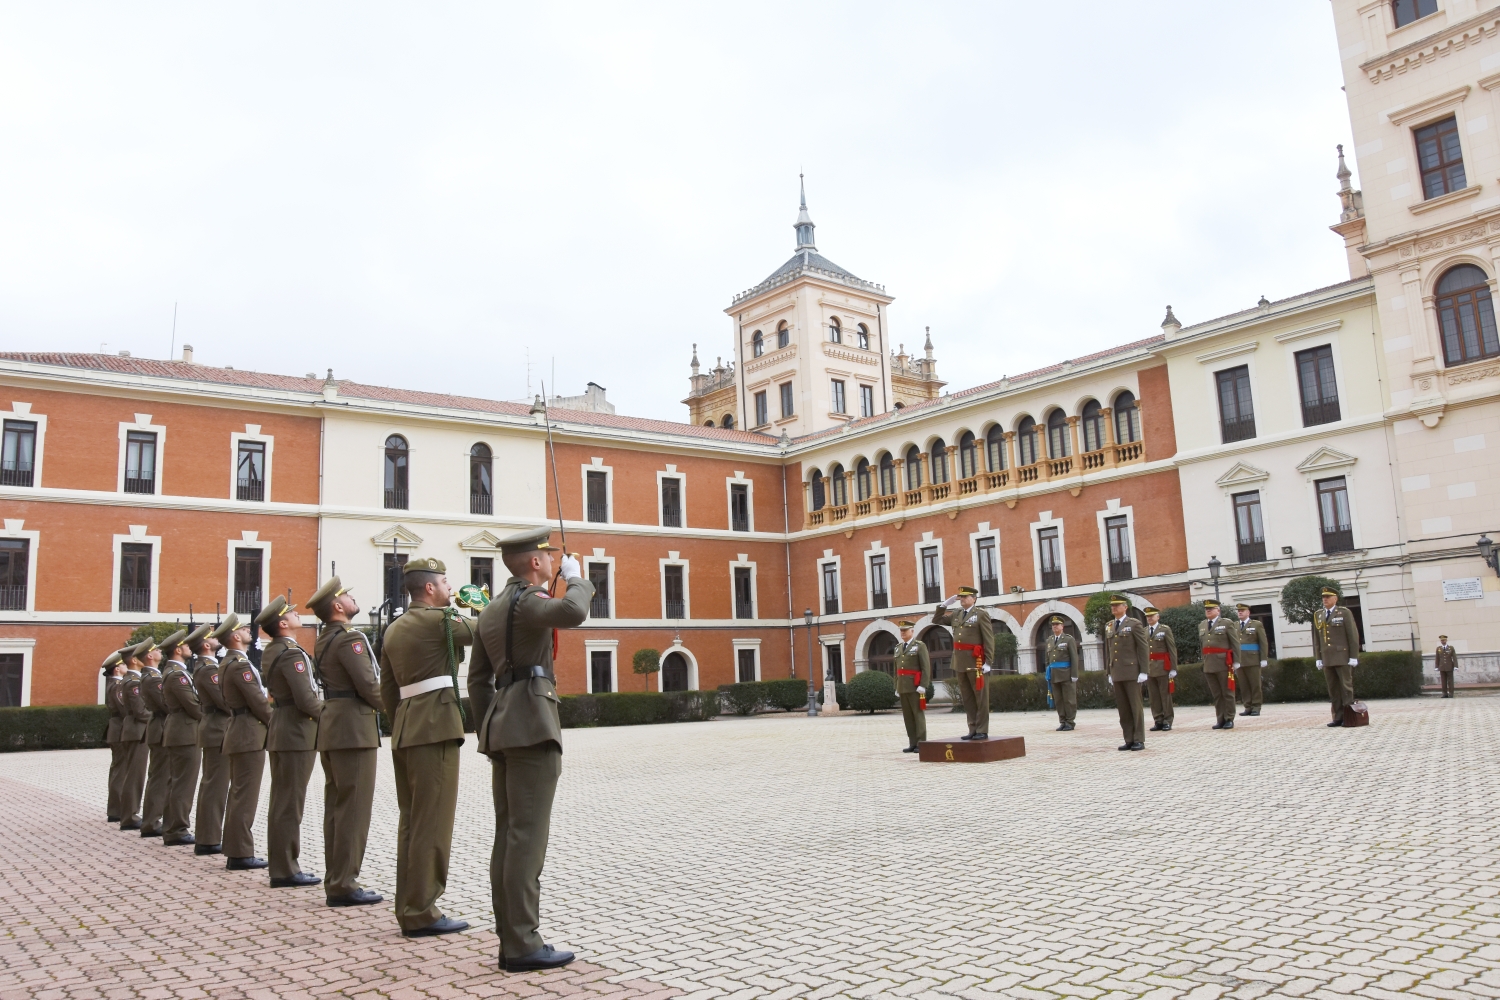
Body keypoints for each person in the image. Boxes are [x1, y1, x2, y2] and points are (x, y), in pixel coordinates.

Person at [469, 528, 593, 972]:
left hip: (503, 726)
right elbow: (573, 611)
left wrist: (492, 724)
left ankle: (512, 938)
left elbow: (476, 681)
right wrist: (580, 578)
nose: (555, 561)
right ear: (536, 563)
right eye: (551, 557)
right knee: (526, 839)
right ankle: (522, 944)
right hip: (531, 726)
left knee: (508, 836)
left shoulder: (490, 609)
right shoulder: (526, 601)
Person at [379, 556, 475, 938]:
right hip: (434, 727)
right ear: (431, 588)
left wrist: (403, 720)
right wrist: (476, 603)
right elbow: (485, 629)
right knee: (432, 823)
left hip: (406, 725)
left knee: (412, 822)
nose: (451, 588)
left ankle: (409, 905)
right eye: (446, 583)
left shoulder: (394, 628)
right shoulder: (439, 621)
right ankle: (421, 912)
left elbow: (388, 689)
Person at [308, 576, 384, 907]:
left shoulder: (326, 638)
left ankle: (335, 877)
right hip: (353, 727)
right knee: (352, 809)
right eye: (347, 596)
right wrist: (401, 706)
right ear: (338, 607)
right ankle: (343, 883)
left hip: (335, 724)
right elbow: (369, 685)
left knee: (338, 808)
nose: (353, 598)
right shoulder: (348, 639)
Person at [258, 595, 323, 888]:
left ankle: (282, 864)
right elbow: (307, 700)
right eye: (292, 613)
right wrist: (332, 716)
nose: (298, 615)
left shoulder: (274, 650)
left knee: (283, 802)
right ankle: (285, 869)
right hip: (296, 732)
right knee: (289, 804)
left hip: (284, 729)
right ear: (283, 624)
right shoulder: (291, 653)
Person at [217, 613, 270, 870]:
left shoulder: (230, 662)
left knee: (239, 793)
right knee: (245, 796)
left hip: (241, 731)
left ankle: (236, 849)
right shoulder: (239, 664)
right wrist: (275, 721)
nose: (250, 631)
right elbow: (257, 701)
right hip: (248, 733)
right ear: (236, 637)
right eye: (244, 629)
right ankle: (240, 853)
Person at [932, 586, 994, 740]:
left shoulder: (981, 614)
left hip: (976, 662)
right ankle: (972, 729)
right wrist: (943, 605)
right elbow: (937, 620)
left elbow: (989, 639)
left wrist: (988, 662)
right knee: (967, 698)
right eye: (960, 597)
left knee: (980, 698)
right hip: (960, 662)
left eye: (966, 597)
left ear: (974, 599)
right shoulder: (957, 614)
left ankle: (982, 729)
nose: (962, 599)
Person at [158, 629, 202, 847]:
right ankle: (177, 828)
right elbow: (192, 706)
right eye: (185, 645)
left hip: (181, 731)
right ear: (178, 649)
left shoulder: (174, 671)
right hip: (185, 732)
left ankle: (172, 826)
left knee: (177, 782)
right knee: (183, 783)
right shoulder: (176, 674)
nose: (189, 649)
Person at [191, 624, 230, 855]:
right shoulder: (208, 669)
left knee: (214, 784)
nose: (216, 638)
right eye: (211, 637)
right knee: (215, 785)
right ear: (206, 645)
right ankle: (208, 838)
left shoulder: (208, 667)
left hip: (216, 729)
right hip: (217, 729)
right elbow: (225, 700)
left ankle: (209, 836)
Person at [1103, 597, 1149, 751]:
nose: (1114, 608)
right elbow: (1109, 651)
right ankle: (1128, 738)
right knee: (1123, 709)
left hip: (1131, 671)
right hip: (1117, 672)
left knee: (1135, 707)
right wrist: (1109, 671)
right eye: (1112, 606)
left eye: (1117, 606)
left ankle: (1139, 739)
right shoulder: (1109, 626)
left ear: (1125, 607)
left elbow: (1143, 648)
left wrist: (1143, 671)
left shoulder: (1134, 624)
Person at [117, 642, 152, 830]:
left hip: (135, 730)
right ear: (134, 660)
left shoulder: (132, 681)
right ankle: (129, 816)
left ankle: (129, 813)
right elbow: (140, 712)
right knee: (134, 776)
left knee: (134, 774)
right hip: (137, 731)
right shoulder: (133, 683)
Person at [1314, 587, 1360, 727]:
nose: (1325, 599)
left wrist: (1353, 656)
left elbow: (1352, 636)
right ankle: (1337, 717)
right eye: (1323, 597)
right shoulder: (1319, 614)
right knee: (1333, 689)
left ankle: (1348, 716)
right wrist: (1318, 657)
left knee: (1346, 688)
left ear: (1335, 598)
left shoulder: (1344, 613)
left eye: (1328, 597)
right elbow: (1317, 639)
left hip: (1342, 656)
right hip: (1327, 657)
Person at [138, 639, 168, 838]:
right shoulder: (154, 679)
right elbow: (167, 704)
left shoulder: (151, 676)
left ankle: (152, 820)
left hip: (159, 727)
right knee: (160, 777)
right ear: (150, 656)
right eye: (156, 650)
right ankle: (151, 822)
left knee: (159, 776)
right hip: (162, 727)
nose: (159, 651)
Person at [1198, 600, 1240, 730]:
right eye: (1206, 609)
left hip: (1224, 663)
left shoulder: (1226, 623)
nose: (1208, 611)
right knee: (1217, 694)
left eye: (1211, 608)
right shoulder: (1202, 625)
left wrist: (1236, 661)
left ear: (1218, 610)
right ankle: (1220, 719)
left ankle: (1229, 718)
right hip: (1209, 663)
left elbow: (1235, 643)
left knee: (1227, 692)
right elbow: (1202, 645)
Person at [891, 621, 931, 752]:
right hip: (903, 686)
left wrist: (923, 685)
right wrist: (896, 686)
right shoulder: (898, 647)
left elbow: (925, 667)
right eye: (901, 630)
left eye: (905, 630)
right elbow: (896, 669)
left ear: (912, 631)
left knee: (917, 715)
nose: (903, 633)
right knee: (907, 717)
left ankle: (921, 743)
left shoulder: (919, 646)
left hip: (915, 686)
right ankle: (912, 742)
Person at [1042, 616, 1080, 732]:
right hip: (1054, 674)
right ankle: (1062, 721)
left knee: (1069, 699)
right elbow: (1047, 659)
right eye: (1053, 625)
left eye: (1057, 624)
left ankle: (1070, 722)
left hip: (1066, 673)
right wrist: (1048, 672)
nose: (1055, 626)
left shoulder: (1068, 639)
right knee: (1058, 700)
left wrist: (1074, 674)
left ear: (1062, 626)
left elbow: (1074, 658)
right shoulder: (1049, 640)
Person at [1143, 607, 1177, 732]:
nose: (1149, 618)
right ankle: (1158, 719)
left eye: (1152, 615)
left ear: (1158, 617)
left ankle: (1168, 720)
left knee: (1165, 695)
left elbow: (1171, 649)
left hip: (1163, 666)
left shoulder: (1164, 630)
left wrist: (1173, 668)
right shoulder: (1144, 631)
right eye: (1147, 616)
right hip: (1150, 667)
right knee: (1154, 696)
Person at [103, 651, 125, 822]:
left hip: (116, 729)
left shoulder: (112, 684)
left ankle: (115, 808)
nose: (127, 667)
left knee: (118, 768)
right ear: (117, 669)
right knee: (121, 770)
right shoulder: (117, 686)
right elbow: (124, 709)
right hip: (120, 729)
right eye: (124, 665)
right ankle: (117, 809)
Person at [1235, 604, 1269, 717]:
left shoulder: (1256, 624)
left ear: (1248, 612)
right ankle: (1247, 706)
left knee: (1255, 685)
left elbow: (1263, 642)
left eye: (1242, 611)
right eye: (1239, 611)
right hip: (1240, 660)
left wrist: (1264, 658)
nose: (1240, 612)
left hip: (1253, 659)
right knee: (1243, 685)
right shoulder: (1235, 626)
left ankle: (1256, 706)